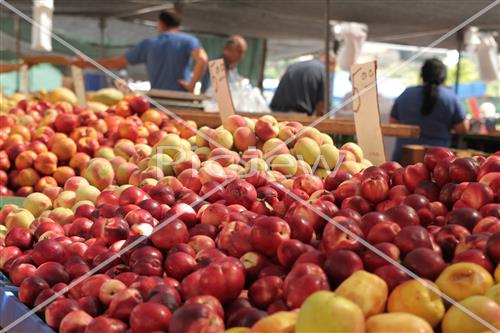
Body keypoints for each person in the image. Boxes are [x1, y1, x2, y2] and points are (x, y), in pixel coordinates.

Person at [73, 10, 208, 92]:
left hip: (158, 101)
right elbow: (202, 59)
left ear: (160, 23)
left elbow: (117, 63)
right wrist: (192, 85)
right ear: (178, 25)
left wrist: (87, 63)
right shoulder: (189, 41)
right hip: (183, 100)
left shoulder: (149, 44)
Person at [390, 58, 468, 161]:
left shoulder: (406, 94)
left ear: (422, 75)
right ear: (443, 77)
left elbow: (392, 123)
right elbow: (462, 129)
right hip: (438, 160)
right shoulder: (451, 98)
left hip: (404, 156)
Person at [270, 53, 335, 116]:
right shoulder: (325, 71)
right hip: (299, 116)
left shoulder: (294, 65)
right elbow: (322, 106)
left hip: (274, 113)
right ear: (331, 63)